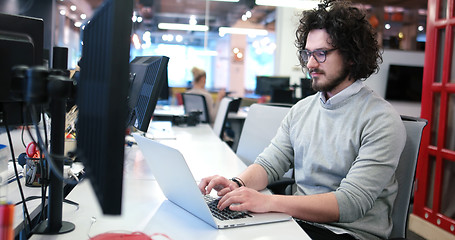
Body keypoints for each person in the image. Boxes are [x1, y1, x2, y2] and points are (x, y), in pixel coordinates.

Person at [198, 0, 406, 239]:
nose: (310, 64)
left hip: (348, 232)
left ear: (351, 56)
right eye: (308, 53)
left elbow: (349, 203)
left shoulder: (381, 120)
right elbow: (269, 164)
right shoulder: (302, 110)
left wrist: (267, 202)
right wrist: (238, 183)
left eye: (322, 54)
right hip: (297, 222)